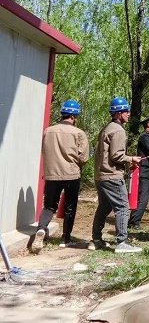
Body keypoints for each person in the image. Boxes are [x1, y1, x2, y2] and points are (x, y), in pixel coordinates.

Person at [31, 100, 89, 253]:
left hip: (52, 174)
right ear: (74, 116)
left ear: (63, 114)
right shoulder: (78, 133)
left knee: (49, 205)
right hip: (71, 174)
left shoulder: (48, 131)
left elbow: (44, 150)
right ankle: (66, 239)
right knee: (70, 206)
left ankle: (41, 229)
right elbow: (84, 158)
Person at [90, 97, 142, 253]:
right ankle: (122, 242)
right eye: (126, 111)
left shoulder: (107, 128)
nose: (128, 114)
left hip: (101, 175)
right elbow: (116, 155)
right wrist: (131, 158)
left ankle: (97, 239)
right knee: (122, 207)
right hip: (112, 176)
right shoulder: (118, 130)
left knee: (104, 207)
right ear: (118, 113)